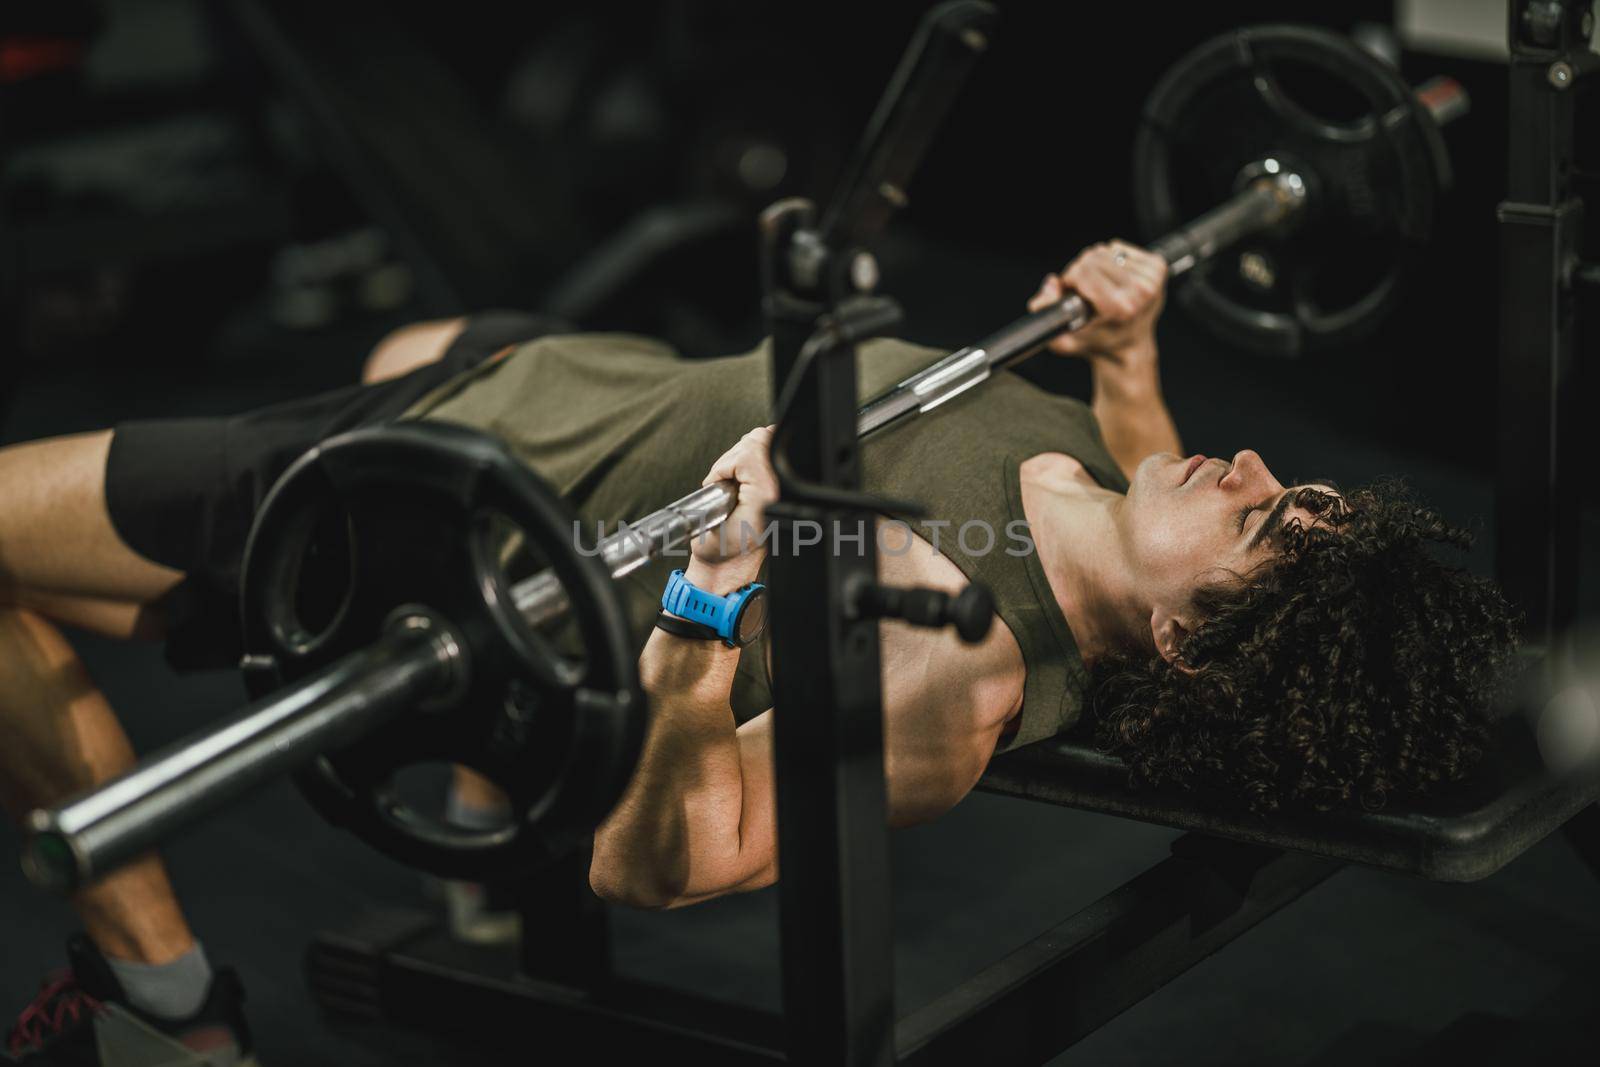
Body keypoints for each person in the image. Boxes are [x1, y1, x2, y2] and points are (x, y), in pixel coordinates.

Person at [0, 242, 1516, 1058]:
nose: (1252, 467)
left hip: (442, 503)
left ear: (1189, 648)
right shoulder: (1125, 515)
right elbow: (1158, 494)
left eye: (1263, 525)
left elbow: (658, 862)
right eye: (1288, 491)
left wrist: (712, 595)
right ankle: (452, 812)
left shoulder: (953, 669)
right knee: (411, 334)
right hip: (560, 382)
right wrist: (1127, 363)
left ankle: (175, 1006)